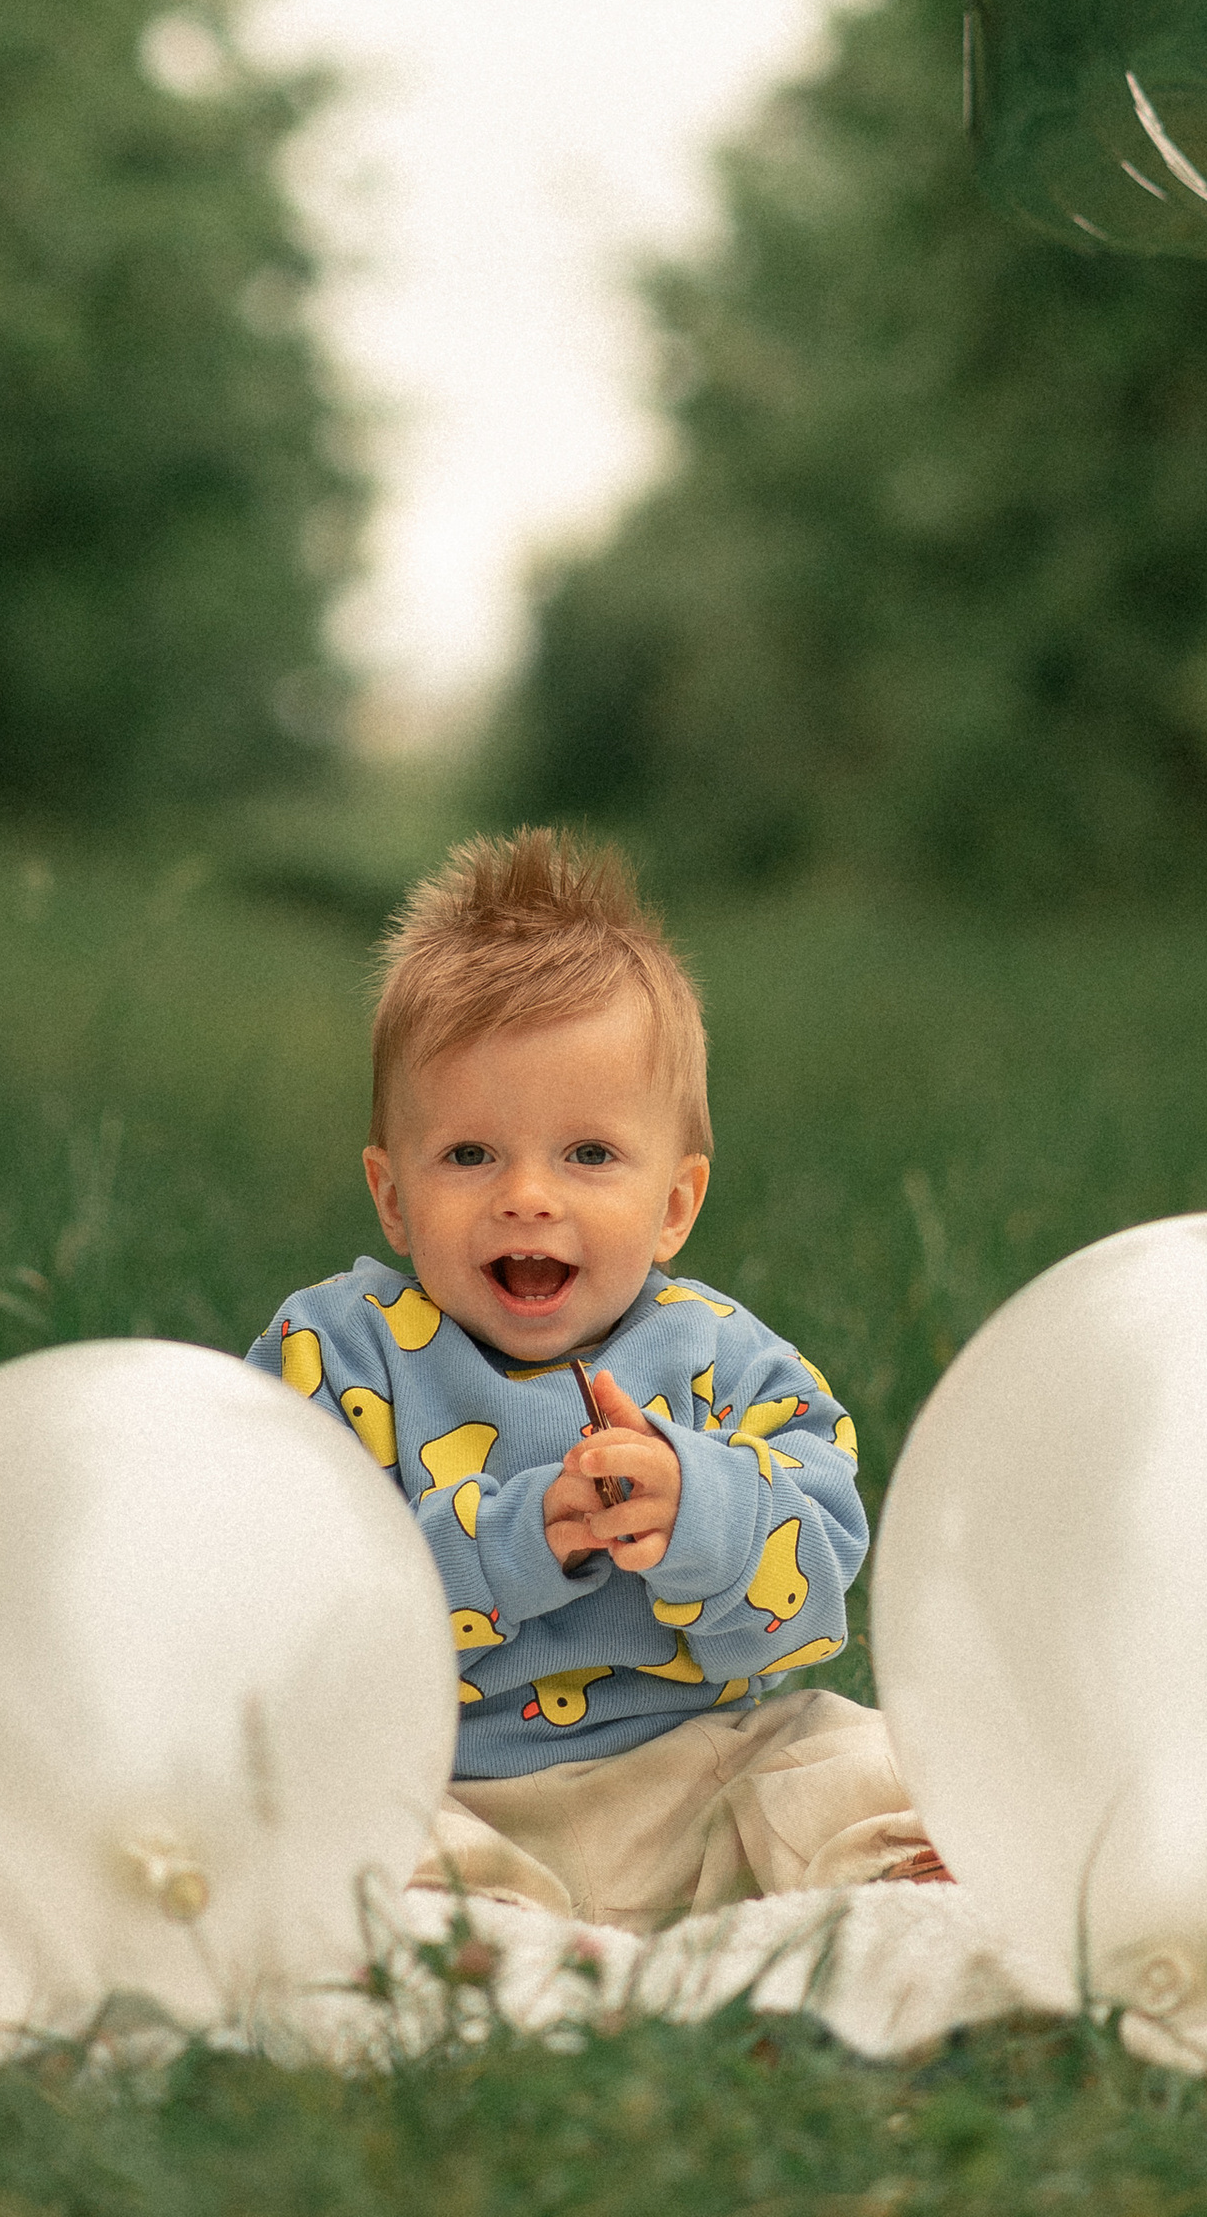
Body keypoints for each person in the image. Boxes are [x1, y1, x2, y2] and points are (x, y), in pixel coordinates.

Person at [245, 824, 945, 1932]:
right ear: (391, 1195)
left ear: (675, 1203)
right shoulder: (335, 1354)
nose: (527, 1195)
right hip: (441, 1787)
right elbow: (299, 1604)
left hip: (688, 1779)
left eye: (587, 1155)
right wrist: (527, 1535)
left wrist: (699, 1511)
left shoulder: (726, 1363)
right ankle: (461, 1939)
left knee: (841, 1752)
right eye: (470, 1155)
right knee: (299, 1812)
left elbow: (807, 1610)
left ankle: (905, 1889)